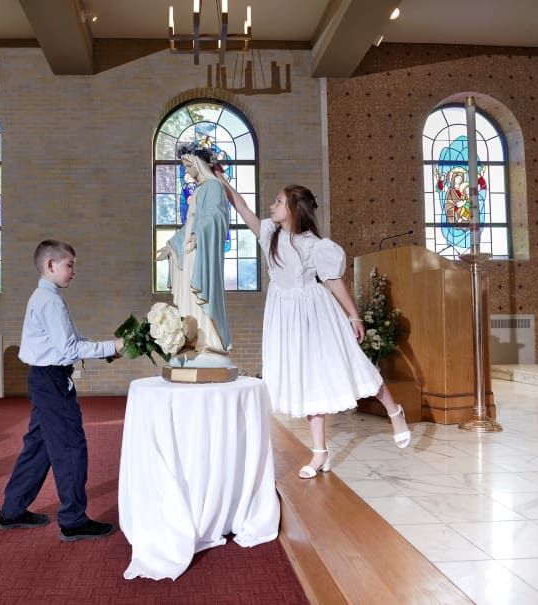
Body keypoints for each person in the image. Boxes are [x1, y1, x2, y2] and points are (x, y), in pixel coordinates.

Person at [220, 182, 412, 479]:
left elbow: (334, 281)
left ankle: (394, 412)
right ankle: (320, 452)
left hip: (316, 314)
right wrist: (220, 178)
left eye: (278, 201)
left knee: (353, 365)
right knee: (308, 380)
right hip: (285, 318)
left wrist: (354, 316)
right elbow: (242, 207)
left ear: (294, 209)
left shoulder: (315, 246)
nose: (272, 206)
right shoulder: (270, 233)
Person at [0, 239, 124, 540]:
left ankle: (13, 510)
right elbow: (68, 348)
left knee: (39, 449)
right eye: (70, 265)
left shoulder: (45, 297)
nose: (73, 271)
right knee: (70, 447)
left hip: (43, 379)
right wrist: (114, 344)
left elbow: (70, 338)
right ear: (51, 265)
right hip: (51, 381)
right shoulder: (49, 300)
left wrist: (107, 350)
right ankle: (73, 519)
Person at [156, 141, 232, 361]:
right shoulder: (201, 189)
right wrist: (171, 246)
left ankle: (208, 342)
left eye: (189, 166)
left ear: (199, 164)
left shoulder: (213, 187)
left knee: (200, 296)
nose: (187, 172)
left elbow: (216, 217)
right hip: (189, 252)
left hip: (201, 252)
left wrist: (199, 234)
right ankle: (191, 340)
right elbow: (188, 225)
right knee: (189, 298)